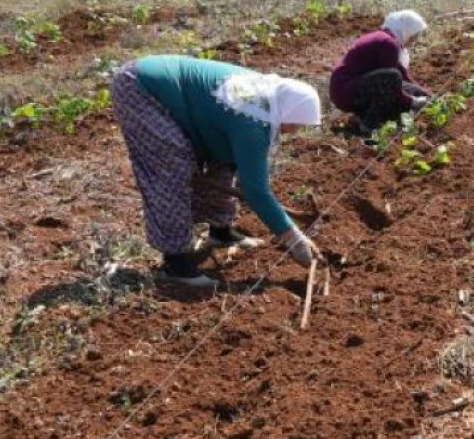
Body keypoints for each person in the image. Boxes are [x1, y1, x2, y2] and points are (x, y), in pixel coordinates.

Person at [110, 54, 324, 289]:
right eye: (297, 123)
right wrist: (292, 236)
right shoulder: (253, 123)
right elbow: (255, 191)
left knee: (223, 159)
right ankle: (175, 264)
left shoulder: (269, 99)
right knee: (172, 167)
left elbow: (240, 163)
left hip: (178, 98)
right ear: (287, 110)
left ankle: (220, 231)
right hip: (140, 88)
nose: (296, 130)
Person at [329, 10, 432, 134]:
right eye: (413, 37)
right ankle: (368, 124)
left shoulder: (385, 39)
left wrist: (423, 93)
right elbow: (392, 81)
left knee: (397, 86)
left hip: (349, 89)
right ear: (406, 30)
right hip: (345, 92)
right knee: (392, 84)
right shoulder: (388, 43)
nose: (413, 41)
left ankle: (363, 116)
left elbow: (402, 76)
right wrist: (412, 101)